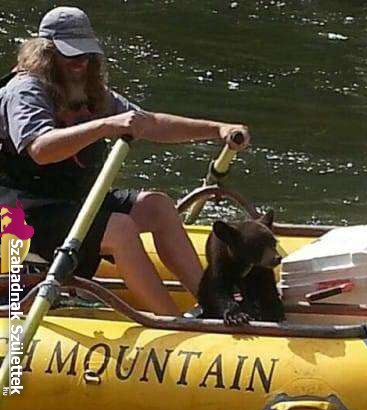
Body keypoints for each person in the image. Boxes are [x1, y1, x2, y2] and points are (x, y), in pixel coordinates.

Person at [0, 6, 250, 316]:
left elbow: (149, 123)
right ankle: (171, 320)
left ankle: (214, 303)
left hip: (72, 201)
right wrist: (106, 125)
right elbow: (41, 148)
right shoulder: (25, 90)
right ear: (46, 53)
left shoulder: (90, 92)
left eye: (86, 54)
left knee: (157, 206)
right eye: (70, 54)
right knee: (119, 229)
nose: (81, 61)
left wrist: (216, 129)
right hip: (22, 213)